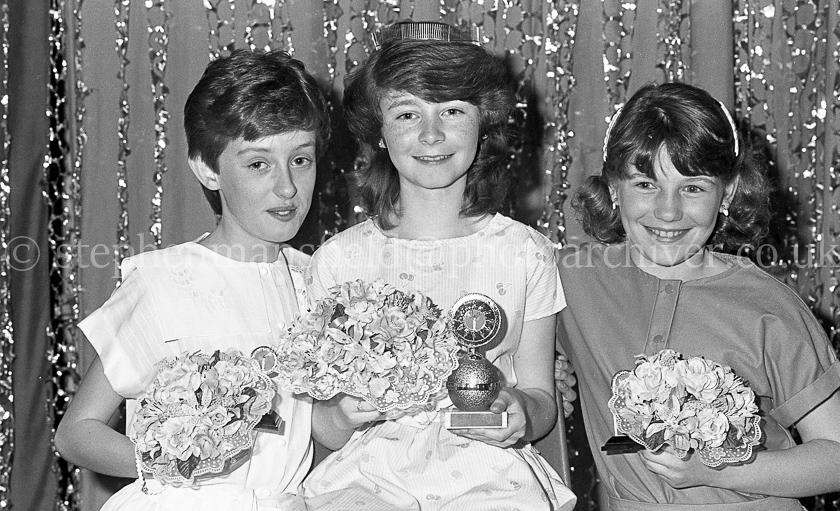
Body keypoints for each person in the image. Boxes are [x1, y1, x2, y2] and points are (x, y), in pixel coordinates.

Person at [301, 20, 576, 511]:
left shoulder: (524, 252)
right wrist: (341, 414)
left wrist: (520, 411)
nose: (431, 134)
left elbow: (540, 398)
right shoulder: (339, 261)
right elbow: (323, 423)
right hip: (370, 479)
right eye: (407, 114)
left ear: (482, 124)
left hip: (488, 476)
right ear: (379, 132)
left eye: (452, 110)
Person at [54, 49, 331, 510]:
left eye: (300, 160)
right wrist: (170, 461)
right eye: (258, 164)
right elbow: (76, 433)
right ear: (207, 168)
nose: (286, 188)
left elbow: (313, 434)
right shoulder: (164, 282)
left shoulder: (313, 281)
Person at [556, 82, 840, 509]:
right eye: (645, 184)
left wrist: (721, 468)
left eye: (693, 188)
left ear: (726, 193)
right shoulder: (571, 279)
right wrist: (544, 374)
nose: (668, 212)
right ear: (613, 188)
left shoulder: (769, 306)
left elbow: (835, 456)